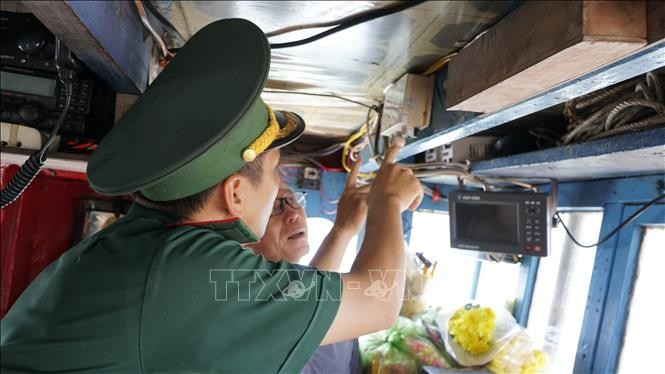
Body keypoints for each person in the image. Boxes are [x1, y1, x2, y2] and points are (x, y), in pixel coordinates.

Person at [0, 18, 423, 373]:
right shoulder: (190, 276)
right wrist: (388, 201)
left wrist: (347, 228)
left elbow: (298, 303)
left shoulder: (151, 248)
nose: (281, 190)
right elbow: (379, 301)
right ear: (235, 193)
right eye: (276, 175)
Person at [248, 162, 370, 374]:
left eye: (294, 201)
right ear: (246, 235)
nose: (293, 214)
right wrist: (344, 229)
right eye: (275, 207)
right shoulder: (245, 297)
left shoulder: (333, 294)